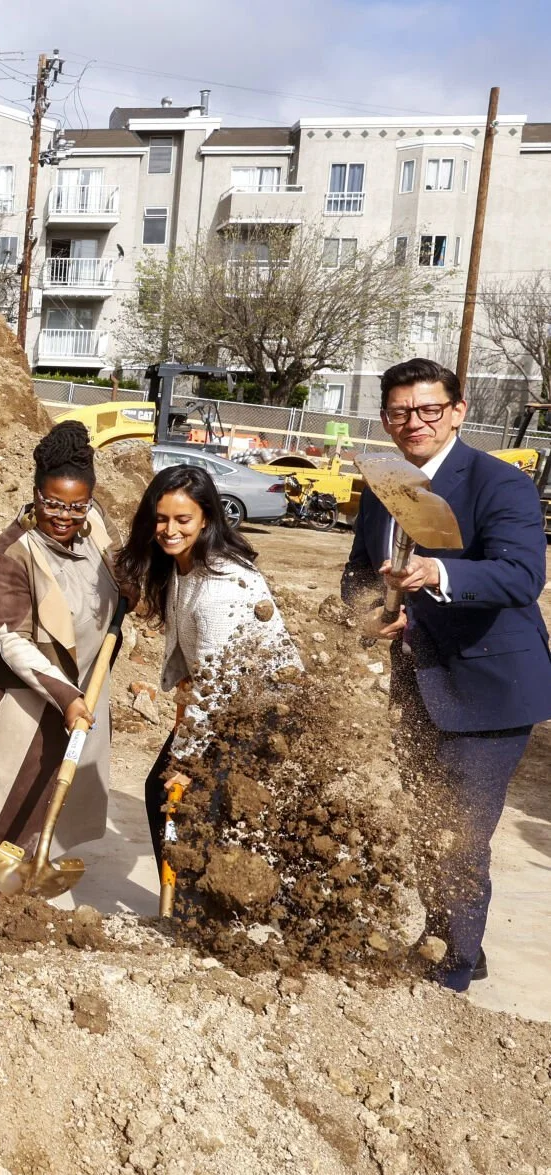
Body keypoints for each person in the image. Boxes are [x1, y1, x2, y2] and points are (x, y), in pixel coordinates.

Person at [341, 357, 551, 992]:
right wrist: (369, 613)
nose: (416, 422)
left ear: (457, 412)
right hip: (418, 685)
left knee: (458, 835)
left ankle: (449, 975)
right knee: (428, 824)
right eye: (401, 412)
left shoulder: (498, 484)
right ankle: (459, 939)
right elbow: (358, 573)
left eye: (430, 409)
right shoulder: (385, 485)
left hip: (487, 690)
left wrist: (440, 573)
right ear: (386, 419)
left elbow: (522, 575)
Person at [0, 422, 120, 890]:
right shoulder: (11, 555)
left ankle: (28, 900)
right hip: (23, 700)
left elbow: (121, 569)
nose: (65, 516)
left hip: (83, 688)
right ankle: (0, 906)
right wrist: (66, 697)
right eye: (53, 504)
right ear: (35, 495)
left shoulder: (94, 522)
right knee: (11, 807)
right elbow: (13, 642)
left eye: (76, 505)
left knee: (54, 800)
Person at [112, 463, 295, 870]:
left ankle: (195, 900)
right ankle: (179, 897)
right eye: (161, 519)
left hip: (258, 711)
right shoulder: (183, 564)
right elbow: (197, 670)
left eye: (183, 519)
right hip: (223, 700)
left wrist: (187, 762)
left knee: (191, 805)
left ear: (206, 518)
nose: (169, 530)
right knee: (162, 792)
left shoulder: (218, 588)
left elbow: (218, 688)